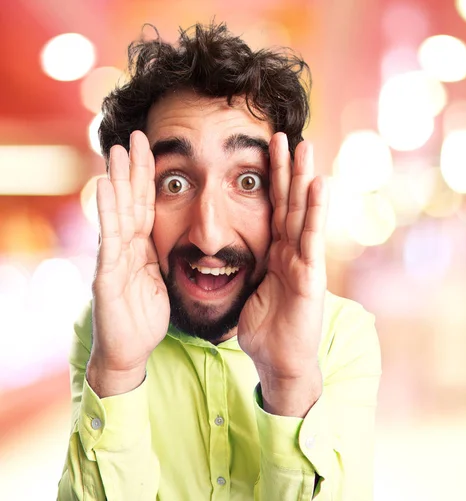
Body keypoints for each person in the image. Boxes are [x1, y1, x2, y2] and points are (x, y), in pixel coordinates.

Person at [57, 22, 381, 501]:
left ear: (283, 196)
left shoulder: (340, 335)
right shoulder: (103, 330)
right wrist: (118, 373)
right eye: (174, 183)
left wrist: (289, 382)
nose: (209, 234)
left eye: (247, 181)